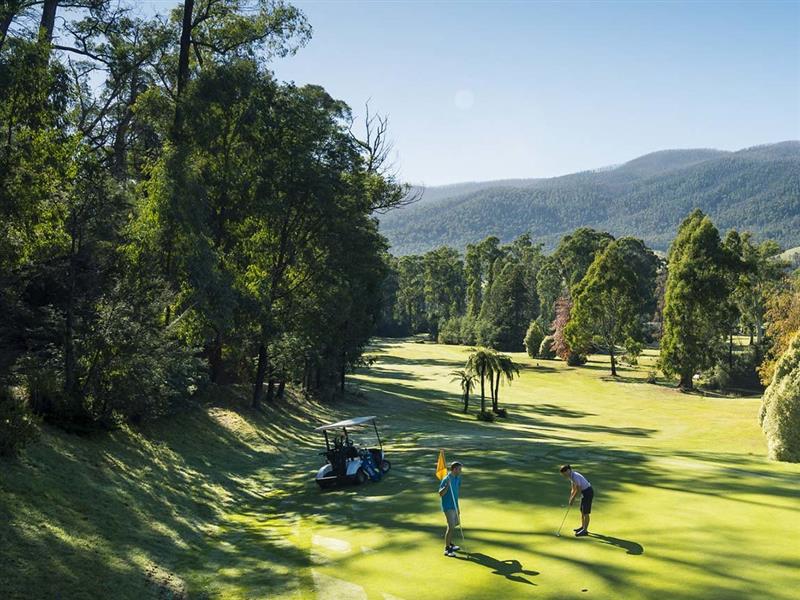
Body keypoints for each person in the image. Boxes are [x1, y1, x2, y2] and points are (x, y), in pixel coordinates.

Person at [559, 464, 593, 536]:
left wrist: (573, 499)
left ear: (568, 470)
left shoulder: (575, 476)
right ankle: (583, 527)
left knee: (586, 512)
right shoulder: (571, 476)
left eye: (564, 473)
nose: (564, 475)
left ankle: (585, 530)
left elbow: (578, 489)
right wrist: (570, 498)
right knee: (582, 511)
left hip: (588, 492)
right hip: (584, 492)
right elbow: (573, 488)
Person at [438, 461, 462, 557]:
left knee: (456, 523)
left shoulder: (458, 478)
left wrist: (457, 505)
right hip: (448, 506)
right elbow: (440, 494)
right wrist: (447, 486)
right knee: (451, 526)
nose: (461, 471)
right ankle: (447, 549)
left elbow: (457, 490)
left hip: (455, 505)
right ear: (454, 469)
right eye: (459, 469)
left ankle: (450, 543)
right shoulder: (446, 479)